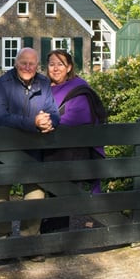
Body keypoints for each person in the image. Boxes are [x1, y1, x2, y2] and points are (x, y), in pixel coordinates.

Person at [0, 47, 60, 240]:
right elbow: (2, 118)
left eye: (32, 63)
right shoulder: (2, 84)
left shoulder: (44, 83)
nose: (27, 67)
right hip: (2, 150)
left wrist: (49, 121)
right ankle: (1, 239)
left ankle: (30, 242)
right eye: (23, 62)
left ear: (37, 66)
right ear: (15, 63)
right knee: (0, 195)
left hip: (33, 149)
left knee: (36, 194)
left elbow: (53, 110)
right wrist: (34, 123)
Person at [41, 49, 105, 233]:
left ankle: (55, 237)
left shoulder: (79, 88)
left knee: (60, 194)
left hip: (71, 153)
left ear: (69, 67)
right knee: (46, 192)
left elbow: (79, 116)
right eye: (52, 64)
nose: (55, 68)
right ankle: (45, 233)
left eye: (60, 64)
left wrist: (47, 123)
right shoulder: (44, 87)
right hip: (47, 150)